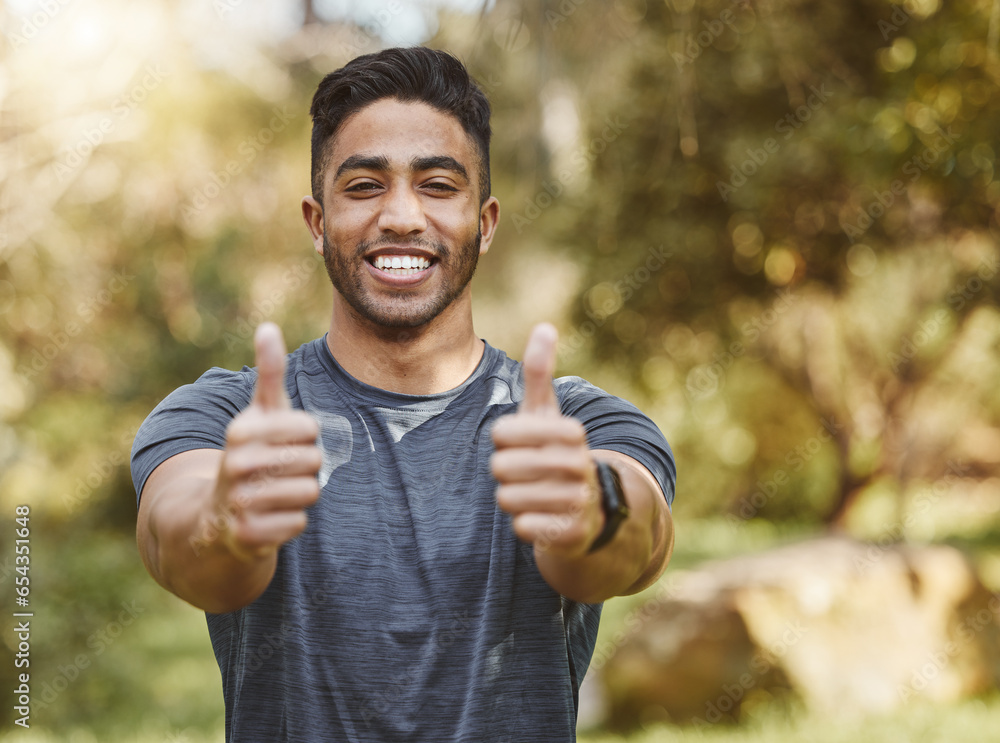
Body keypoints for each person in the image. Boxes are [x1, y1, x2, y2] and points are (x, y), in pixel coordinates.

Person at [132, 46, 675, 742]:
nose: (401, 215)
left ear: (484, 221)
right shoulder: (225, 419)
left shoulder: (575, 426)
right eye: (363, 186)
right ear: (317, 220)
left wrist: (588, 503)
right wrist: (226, 521)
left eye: (439, 185)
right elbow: (175, 541)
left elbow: (643, 539)